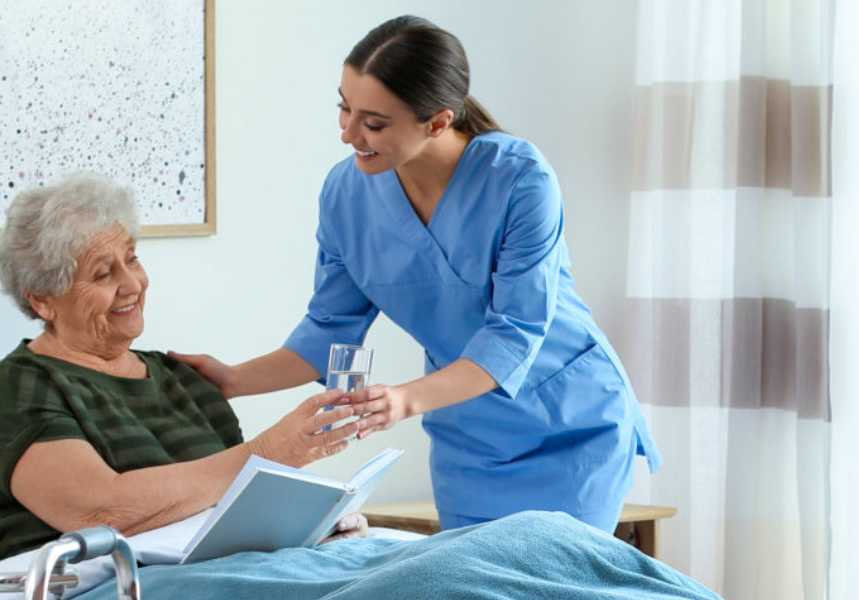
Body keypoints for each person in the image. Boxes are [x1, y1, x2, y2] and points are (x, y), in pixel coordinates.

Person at [172, 15, 661, 533]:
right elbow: (329, 330)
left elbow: (513, 336)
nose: (347, 133)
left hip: (570, 428)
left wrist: (403, 400)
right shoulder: (346, 196)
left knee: (555, 580)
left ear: (437, 122)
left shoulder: (520, 180)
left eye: (373, 122)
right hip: (468, 439)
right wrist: (231, 380)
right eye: (343, 107)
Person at [0, 172, 369, 565]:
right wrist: (266, 454)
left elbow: (235, 512)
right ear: (43, 300)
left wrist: (309, 527)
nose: (132, 284)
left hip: (225, 574)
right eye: (103, 273)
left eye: (132, 259)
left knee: (426, 561)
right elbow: (103, 510)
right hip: (109, 585)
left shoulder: (183, 381)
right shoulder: (16, 388)